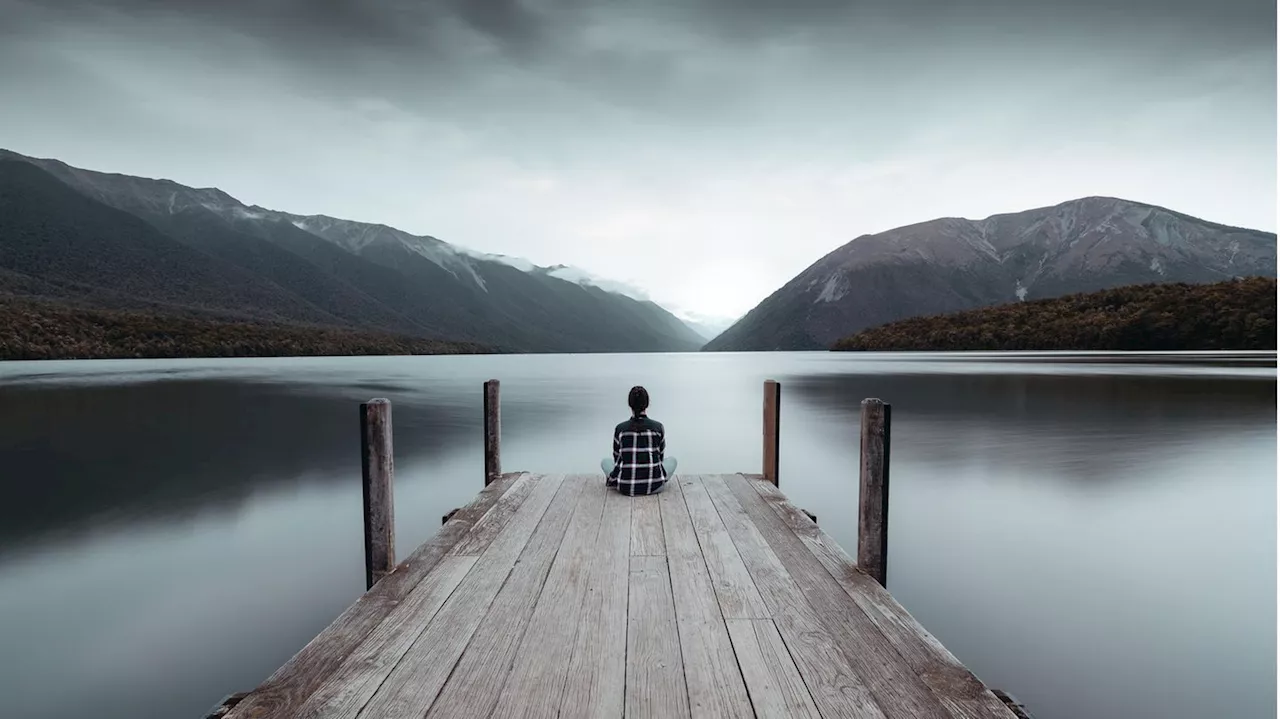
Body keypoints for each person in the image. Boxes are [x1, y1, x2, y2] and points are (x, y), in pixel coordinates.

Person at [601, 385, 677, 496]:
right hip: (654, 486)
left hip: (626, 487)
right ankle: (655, 479)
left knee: (605, 462)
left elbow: (617, 459)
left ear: (630, 404)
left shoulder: (620, 429)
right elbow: (659, 458)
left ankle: (619, 480)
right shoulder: (658, 427)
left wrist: (613, 478)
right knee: (672, 461)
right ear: (646, 404)